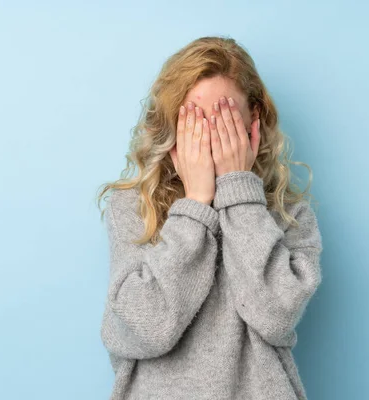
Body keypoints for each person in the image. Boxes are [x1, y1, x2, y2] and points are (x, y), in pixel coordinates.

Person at [96, 35, 323, 400]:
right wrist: (196, 205)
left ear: (253, 119)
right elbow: (144, 329)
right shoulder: (134, 208)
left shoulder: (289, 215)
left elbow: (277, 317)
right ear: (170, 125)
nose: (209, 135)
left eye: (224, 118)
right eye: (194, 120)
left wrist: (238, 192)